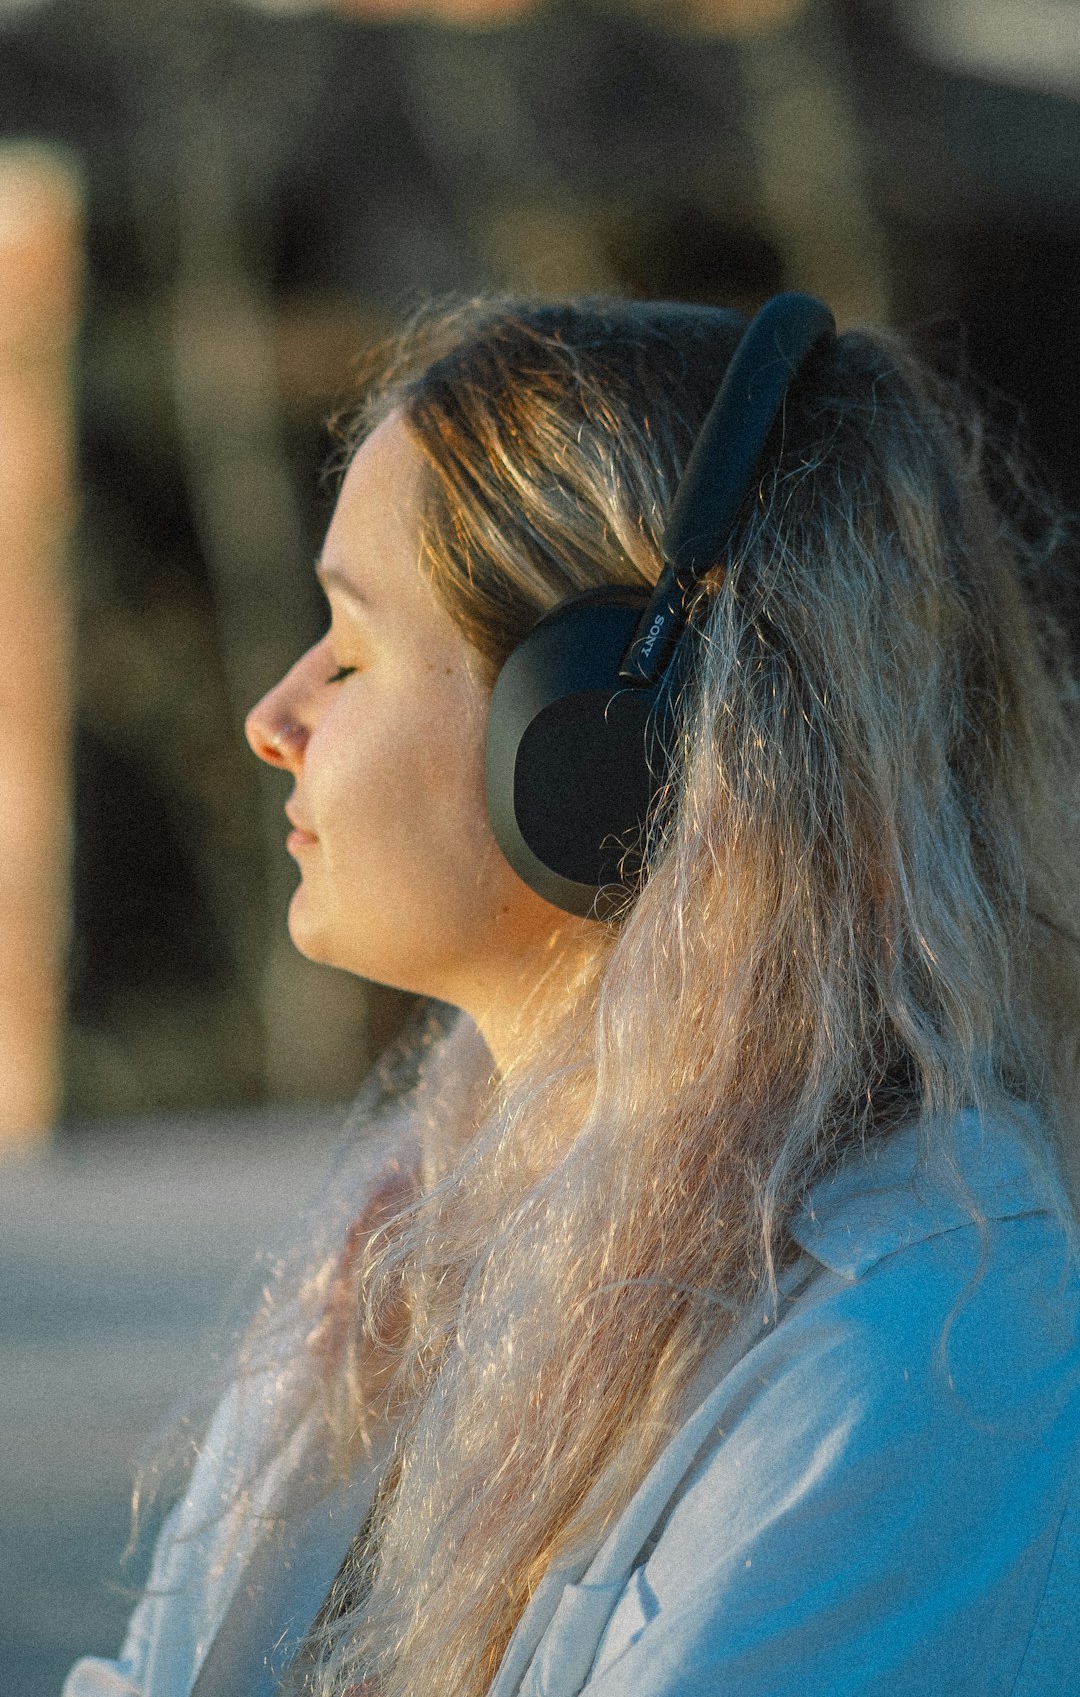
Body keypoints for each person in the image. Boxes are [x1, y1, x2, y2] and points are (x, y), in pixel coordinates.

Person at [64, 294, 1080, 1697]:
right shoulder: (408, 1232)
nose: (273, 717)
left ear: (604, 739)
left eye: (350, 651)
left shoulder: (926, 1353)